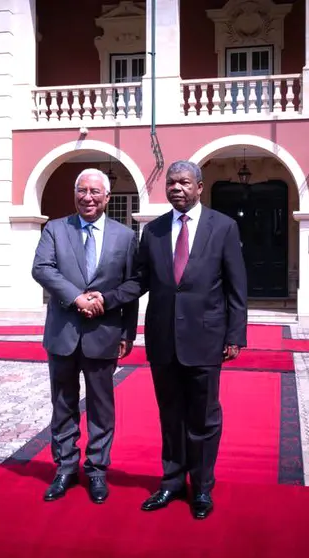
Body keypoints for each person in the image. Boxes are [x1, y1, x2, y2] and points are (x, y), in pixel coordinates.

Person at [97, 160, 247, 519]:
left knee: (204, 418)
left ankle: (202, 489)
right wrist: (107, 298)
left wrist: (235, 335)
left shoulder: (223, 227)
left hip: (206, 339)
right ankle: (172, 481)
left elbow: (236, 287)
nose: (176, 188)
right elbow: (140, 281)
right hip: (164, 341)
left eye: (184, 182)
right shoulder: (155, 231)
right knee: (170, 416)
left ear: (199, 186)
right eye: (171, 183)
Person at [32, 168, 139, 504]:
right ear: (75, 193)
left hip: (104, 334)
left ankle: (96, 470)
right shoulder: (55, 229)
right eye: (82, 190)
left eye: (95, 191)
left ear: (107, 197)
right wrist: (76, 297)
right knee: (62, 404)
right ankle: (64, 467)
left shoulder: (125, 237)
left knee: (101, 407)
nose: (88, 197)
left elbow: (132, 286)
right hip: (63, 333)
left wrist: (127, 332)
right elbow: (42, 268)